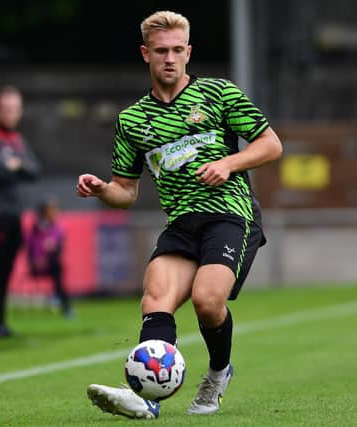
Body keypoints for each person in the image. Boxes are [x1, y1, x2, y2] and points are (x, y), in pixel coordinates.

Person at [77, 10, 282, 419]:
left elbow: (271, 145)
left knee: (208, 302)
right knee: (155, 299)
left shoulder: (218, 94)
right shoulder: (132, 120)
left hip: (231, 213)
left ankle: (218, 373)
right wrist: (103, 190)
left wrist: (230, 163)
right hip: (181, 222)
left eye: (176, 50)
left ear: (188, 52)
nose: (169, 58)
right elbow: (127, 192)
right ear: (145, 54)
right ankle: (146, 398)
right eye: (160, 51)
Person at [0, 86, 40, 338]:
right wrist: (15, 167)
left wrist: (16, 165)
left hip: (14, 212)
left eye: (15, 109)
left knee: (5, 269)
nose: (11, 114)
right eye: (6, 109)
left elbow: (34, 170)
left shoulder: (17, 141)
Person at [27, 198, 72, 318]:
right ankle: (60, 302)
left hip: (51, 264)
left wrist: (52, 247)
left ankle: (62, 303)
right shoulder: (35, 229)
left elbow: (58, 244)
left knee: (57, 268)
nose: (55, 212)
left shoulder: (56, 227)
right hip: (37, 265)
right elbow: (31, 246)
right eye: (52, 210)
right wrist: (37, 258)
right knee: (57, 269)